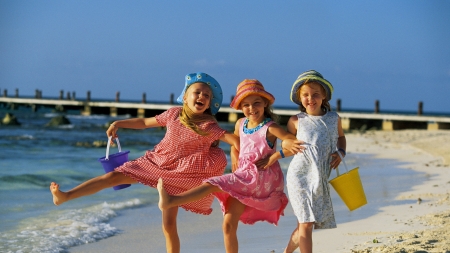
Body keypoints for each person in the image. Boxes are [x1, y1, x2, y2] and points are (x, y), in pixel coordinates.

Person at [49, 72, 240, 253]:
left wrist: (248, 158)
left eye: (206, 95)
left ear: (208, 104)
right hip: (156, 162)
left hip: (182, 173)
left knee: (169, 225)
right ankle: (65, 196)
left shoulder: (208, 125)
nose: (202, 96)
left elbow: (233, 140)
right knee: (111, 177)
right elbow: (144, 122)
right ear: (185, 97)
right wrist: (118, 124)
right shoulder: (173, 114)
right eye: (197, 92)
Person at [157, 79, 303, 253]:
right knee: (227, 225)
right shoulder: (240, 124)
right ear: (241, 107)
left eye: (256, 103)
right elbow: (236, 143)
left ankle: (173, 200)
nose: (252, 108)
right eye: (246, 105)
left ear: (265, 103)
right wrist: (235, 156)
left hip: (260, 177)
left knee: (212, 183)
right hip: (244, 176)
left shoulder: (270, 128)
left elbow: (293, 142)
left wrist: (275, 157)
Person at [281, 70, 346, 253]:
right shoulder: (295, 121)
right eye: (306, 95)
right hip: (299, 176)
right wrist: (281, 148)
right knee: (307, 223)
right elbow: (286, 143)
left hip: (320, 178)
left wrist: (341, 152)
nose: (311, 99)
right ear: (299, 98)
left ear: (324, 95)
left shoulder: (334, 119)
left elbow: (341, 138)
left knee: (305, 223)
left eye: (316, 94)